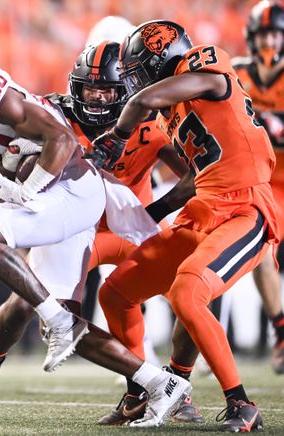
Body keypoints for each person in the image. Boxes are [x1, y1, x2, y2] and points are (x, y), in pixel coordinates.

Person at [0, 39, 193, 427]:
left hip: (74, 188)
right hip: (50, 201)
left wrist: (25, 189)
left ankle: (50, 326)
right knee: (52, 308)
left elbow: (63, 140)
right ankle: (159, 382)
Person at [87, 20, 279, 432]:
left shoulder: (207, 65)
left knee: (187, 291)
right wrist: (149, 217)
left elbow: (145, 97)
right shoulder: (172, 111)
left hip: (246, 207)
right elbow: (193, 177)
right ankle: (142, 390)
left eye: (139, 66)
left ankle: (241, 403)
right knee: (116, 292)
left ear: (162, 57)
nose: (135, 77)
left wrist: (118, 135)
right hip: (204, 208)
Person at [232, 0, 284, 374]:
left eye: (274, 33)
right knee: (261, 250)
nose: (269, 41)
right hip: (261, 181)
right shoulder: (235, 74)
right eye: (263, 33)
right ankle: (281, 331)